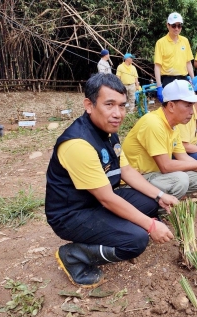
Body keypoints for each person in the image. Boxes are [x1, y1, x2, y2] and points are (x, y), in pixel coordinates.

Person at [45, 73, 178, 288]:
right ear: (89, 105)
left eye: (122, 106)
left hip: (95, 201)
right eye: (109, 105)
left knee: (151, 202)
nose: (118, 114)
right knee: (136, 240)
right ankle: (74, 255)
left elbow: (125, 169)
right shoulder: (78, 143)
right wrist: (149, 225)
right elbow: (107, 199)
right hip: (72, 213)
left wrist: (160, 195)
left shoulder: (108, 131)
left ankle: (117, 228)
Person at [122, 79, 197, 199]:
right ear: (171, 106)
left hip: (155, 174)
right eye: (188, 105)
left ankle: (164, 199)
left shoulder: (173, 126)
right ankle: (157, 205)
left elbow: (183, 157)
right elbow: (166, 166)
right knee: (181, 179)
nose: (191, 111)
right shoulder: (153, 123)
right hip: (136, 179)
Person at [154, 12, 194, 103]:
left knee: (184, 105)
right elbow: (157, 66)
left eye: (179, 26)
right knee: (171, 107)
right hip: (168, 79)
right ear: (168, 25)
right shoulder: (161, 43)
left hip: (183, 79)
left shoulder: (185, 41)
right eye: (174, 26)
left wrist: (193, 79)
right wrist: (159, 85)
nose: (176, 28)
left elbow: (188, 62)